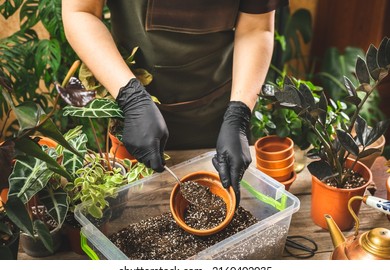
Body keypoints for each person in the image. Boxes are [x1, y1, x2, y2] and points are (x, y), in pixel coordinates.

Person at [61, 0, 288, 205]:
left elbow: (256, 28)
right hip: (134, 111)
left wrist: (239, 113)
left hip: (219, 112)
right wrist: (131, 97)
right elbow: (81, 11)